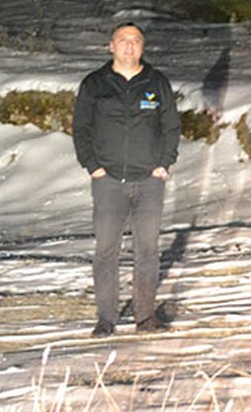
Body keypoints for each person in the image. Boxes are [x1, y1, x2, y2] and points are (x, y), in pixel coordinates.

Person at [72, 22, 180, 337]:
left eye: (135, 40)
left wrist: (163, 164)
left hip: (149, 182)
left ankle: (145, 316)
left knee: (147, 250)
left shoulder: (156, 82)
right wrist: (93, 166)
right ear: (111, 46)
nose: (129, 46)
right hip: (108, 182)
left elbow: (171, 127)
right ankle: (106, 319)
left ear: (143, 47)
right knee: (106, 251)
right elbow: (81, 128)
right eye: (123, 40)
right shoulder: (95, 84)